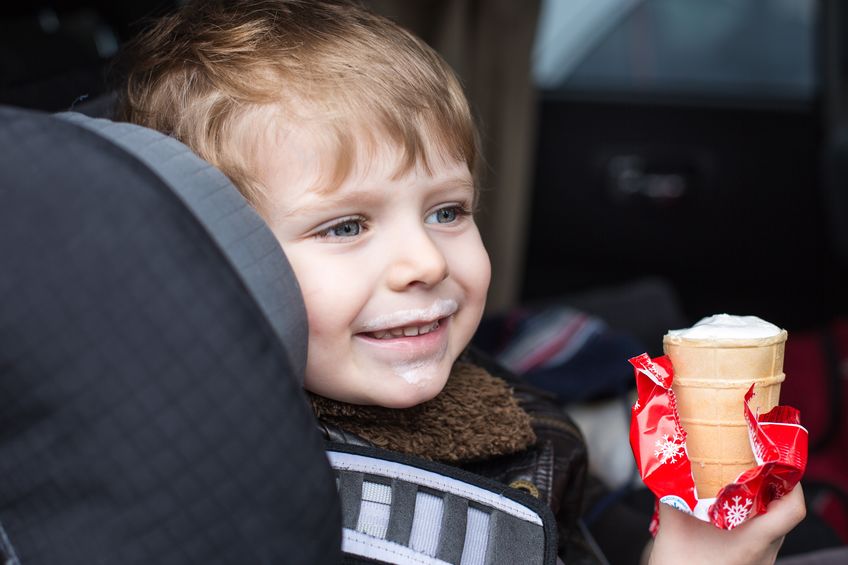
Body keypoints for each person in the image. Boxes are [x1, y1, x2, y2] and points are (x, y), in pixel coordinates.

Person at [111, 1, 806, 562]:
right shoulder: (286, 503)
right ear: (207, 258)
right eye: (346, 226)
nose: (428, 261)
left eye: (447, 211)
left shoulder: (489, 399)